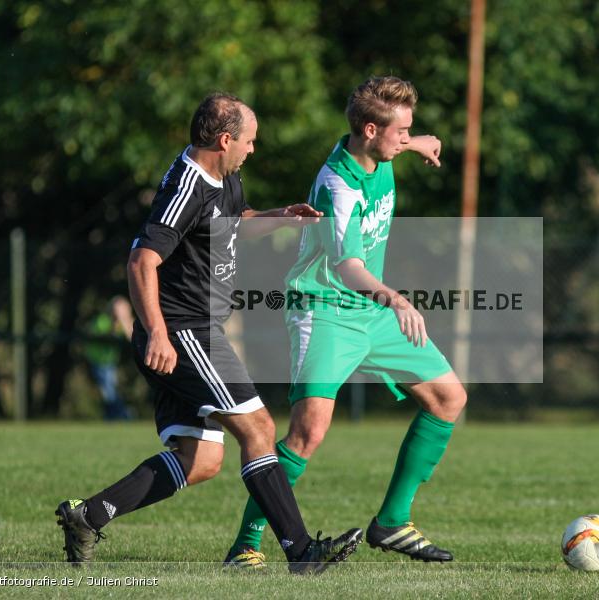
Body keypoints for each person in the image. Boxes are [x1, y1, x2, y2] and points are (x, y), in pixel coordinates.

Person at [55, 92, 362, 574]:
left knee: (200, 460)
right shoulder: (187, 187)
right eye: (249, 140)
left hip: (193, 330)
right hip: (184, 332)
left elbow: (233, 224)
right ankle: (301, 552)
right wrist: (158, 332)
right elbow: (141, 260)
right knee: (259, 429)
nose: (253, 149)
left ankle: (88, 516)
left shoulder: (226, 177)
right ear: (224, 140)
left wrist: (279, 217)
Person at [225, 76, 467, 568]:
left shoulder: (378, 149)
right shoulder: (338, 186)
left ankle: (392, 522)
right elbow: (347, 267)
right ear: (371, 130)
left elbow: (399, 141)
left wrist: (418, 142)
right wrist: (396, 299)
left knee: (449, 398)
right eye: (402, 131)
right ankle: (245, 546)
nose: (407, 137)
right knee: (307, 433)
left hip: (369, 309)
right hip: (325, 308)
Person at [85, 296, 134, 420]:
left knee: (110, 390)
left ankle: (120, 414)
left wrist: (123, 321)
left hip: (110, 362)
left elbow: (131, 337)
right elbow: (96, 334)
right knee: (108, 390)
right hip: (98, 360)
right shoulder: (102, 320)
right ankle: (121, 415)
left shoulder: (125, 322)